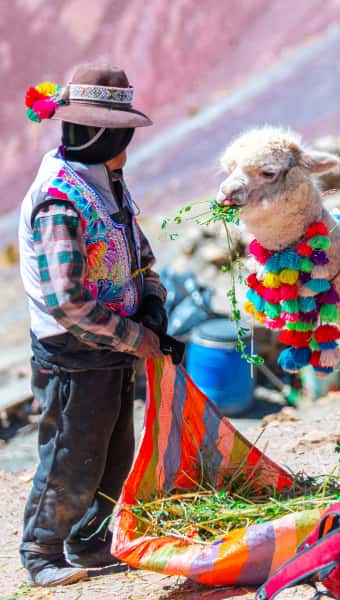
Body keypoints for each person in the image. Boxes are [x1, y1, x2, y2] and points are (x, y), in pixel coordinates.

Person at [18, 63, 167, 587]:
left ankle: (90, 539)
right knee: (71, 453)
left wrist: (151, 299)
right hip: (75, 353)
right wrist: (137, 337)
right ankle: (41, 551)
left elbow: (138, 253)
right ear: (106, 135)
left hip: (111, 346)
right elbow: (67, 301)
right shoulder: (61, 199)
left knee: (111, 448)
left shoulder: (107, 183)